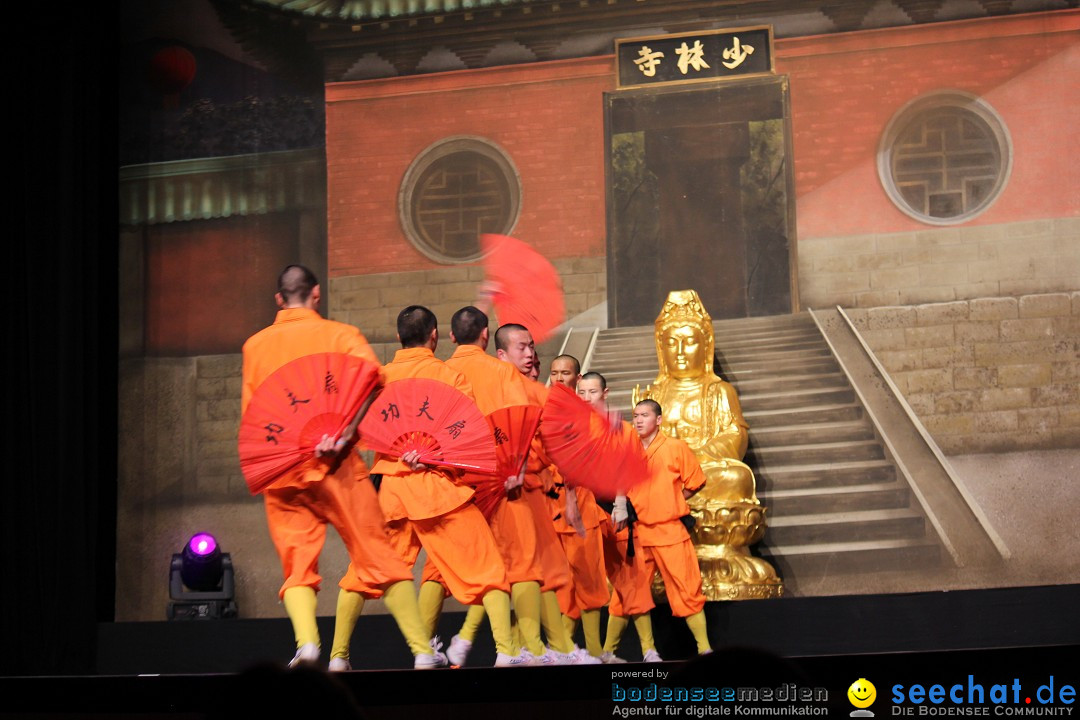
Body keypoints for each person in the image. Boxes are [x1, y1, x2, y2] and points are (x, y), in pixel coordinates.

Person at [240, 265, 442, 670]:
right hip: (337, 463)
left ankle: (309, 645)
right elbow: (372, 382)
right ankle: (422, 652)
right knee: (379, 554)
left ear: (279, 299)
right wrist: (345, 430)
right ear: (316, 294)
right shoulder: (340, 335)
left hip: (282, 465)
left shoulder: (255, 345)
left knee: (297, 563)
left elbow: (255, 410)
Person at [370, 305, 525, 667]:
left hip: (393, 488)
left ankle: (338, 654)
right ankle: (505, 652)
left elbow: (371, 429)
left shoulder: (380, 377)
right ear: (437, 335)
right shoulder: (449, 374)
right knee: (491, 571)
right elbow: (473, 429)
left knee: (373, 575)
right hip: (448, 485)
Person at [422, 306, 547, 666]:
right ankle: (521, 650)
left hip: (455, 482)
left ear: (449, 337)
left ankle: (424, 650)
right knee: (521, 564)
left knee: (438, 568)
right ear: (485, 334)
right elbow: (518, 423)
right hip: (502, 478)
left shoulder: (441, 372)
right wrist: (517, 468)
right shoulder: (502, 372)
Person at [494, 324, 597, 664]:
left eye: (531, 348)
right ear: (501, 354)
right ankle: (518, 648)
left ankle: (545, 649)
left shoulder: (540, 396)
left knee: (549, 571)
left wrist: (569, 498)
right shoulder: (490, 389)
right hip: (493, 493)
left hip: (532, 490)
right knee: (519, 571)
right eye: (521, 348)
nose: (529, 355)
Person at [573, 371, 659, 663]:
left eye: (592, 392)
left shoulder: (622, 429)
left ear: (605, 393)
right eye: (581, 393)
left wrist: (621, 503)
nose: (586, 398)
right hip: (584, 512)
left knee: (632, 580)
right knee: (585, 584)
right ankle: (593, 653)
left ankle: (648, 649)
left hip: (615, 510)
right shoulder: (572, 430)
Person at [623, 398, 712, 657]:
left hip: (670, 530)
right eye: (635, 415)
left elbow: (696, 481)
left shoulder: (675, 447)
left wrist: (673, 499)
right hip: (637, 532)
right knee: (635, 592)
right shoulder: (628, 451)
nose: (638, 420)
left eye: (644, 415)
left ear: (659, 420)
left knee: (686, 588)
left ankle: (704, 648)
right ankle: (647, 650)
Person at [547, 355, 610, 659]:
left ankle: (594, 651)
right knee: (560, 585)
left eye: (566, 373)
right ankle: (560, 649)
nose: (560, 378)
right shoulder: (544, 410)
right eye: (554, 373)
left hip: (582, 507)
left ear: (578, 376)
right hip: (550, 508)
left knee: (589, 579)